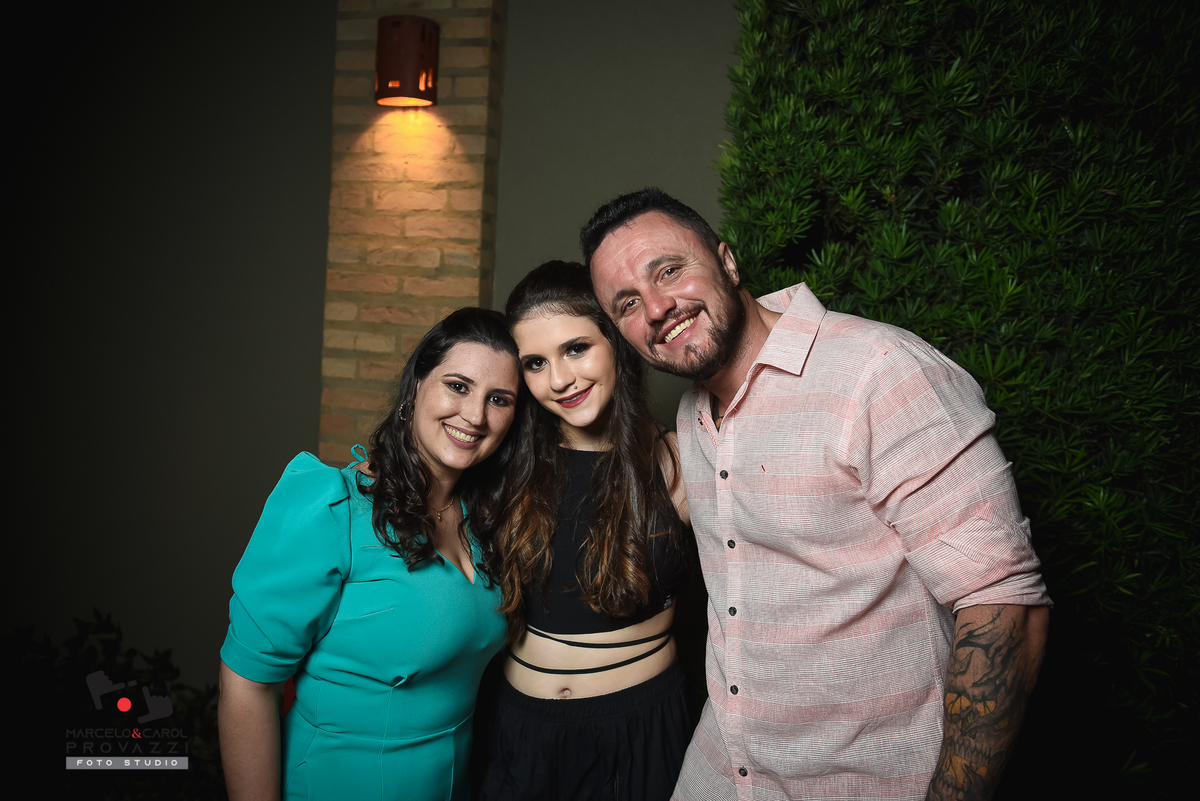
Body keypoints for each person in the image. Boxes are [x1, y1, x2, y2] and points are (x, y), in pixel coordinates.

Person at [582, 188, 1052, 801]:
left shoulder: (880, 371)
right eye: (627, 303)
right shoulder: (693, 418)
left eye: (669, 271)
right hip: (722, 774)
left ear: (727, 262)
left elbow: (1003, 604)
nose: (657, 307)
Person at [218, 308, 522, 801]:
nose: (475, 415)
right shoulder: (332, 510)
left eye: (499, 399)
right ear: (415, 387)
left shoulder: (489, 518)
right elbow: (247, 685)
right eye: (458, 386)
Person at [476, 261, 694, 801]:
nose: (559, 380)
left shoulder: (678, 461)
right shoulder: (506, 465)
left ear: (615, 341)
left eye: (576, 348)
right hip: (517, 733)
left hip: (638, 733)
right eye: (535, 363)